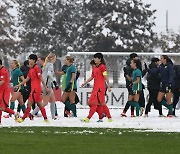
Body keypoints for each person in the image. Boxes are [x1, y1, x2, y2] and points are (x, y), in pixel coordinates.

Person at [16, 54, 49, 123]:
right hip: (34, 89)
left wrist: (46, 87)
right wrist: (19, 84)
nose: (29, 60)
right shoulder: (31, 69)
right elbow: (27, 79)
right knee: (39, 104)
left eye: (30, 59)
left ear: (34, 60)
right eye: (29, 59)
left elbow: (41, 78)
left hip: (36, 89)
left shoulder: (36, 68)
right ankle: (45, 119)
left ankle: (23, 119)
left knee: (29, 104)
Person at [81, 53, 113, 122]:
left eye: (96, 58)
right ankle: (103, 118)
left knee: (94, 103)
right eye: (94, 58)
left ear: (100, 59)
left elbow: (105, 76)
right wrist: (85, 83)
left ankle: (88, 118)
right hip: (95, 88)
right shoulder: (95, 67)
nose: (94, 59)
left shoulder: (102, 67)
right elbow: (92, 77)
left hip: (100, 88)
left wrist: (109, 86)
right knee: (100, 104)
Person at [30, 53, 59, 120]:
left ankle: (53, 116)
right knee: (45, 103)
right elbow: (49, 74)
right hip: (47, 85)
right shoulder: (50, 65)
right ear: (52, 58)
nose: (55, 59)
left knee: (53, 101)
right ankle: (32, 114)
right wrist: (55, 82)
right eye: (55, 58)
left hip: (44, 84)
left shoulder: (45, 65)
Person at [0, 59, 19, 124]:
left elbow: (2, 81)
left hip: (4, 92)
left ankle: (15, 113)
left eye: (12, 63)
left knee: (2, 107)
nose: (11, 64)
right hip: (1, 91)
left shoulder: (3, 71)